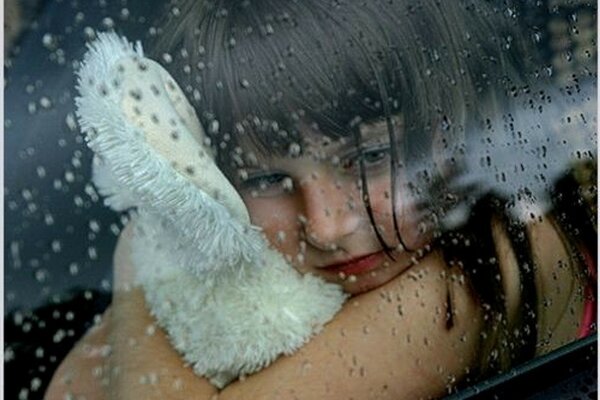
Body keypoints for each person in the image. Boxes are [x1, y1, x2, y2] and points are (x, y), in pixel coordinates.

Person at [46, 0, 596, 399]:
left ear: (449, 125)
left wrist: (144, 258)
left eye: (371, 157)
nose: (327, 225)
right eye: (266, 181)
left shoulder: (493, 255)